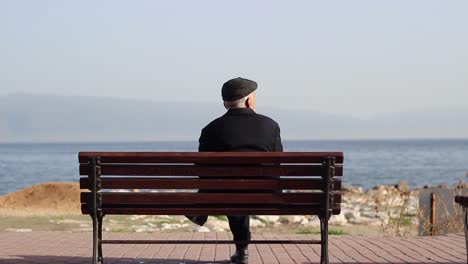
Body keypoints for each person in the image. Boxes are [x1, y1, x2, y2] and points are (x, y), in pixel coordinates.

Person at [186, 77, 283, 264]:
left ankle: (241, 249)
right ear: (249, 101)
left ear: (225, 103)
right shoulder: (270, 125)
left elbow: (202, 172)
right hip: (266, 192)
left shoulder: (211, 129)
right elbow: (278, 163)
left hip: (227, 192)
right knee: (238, 186)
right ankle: (241, 249)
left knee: (230, 187)